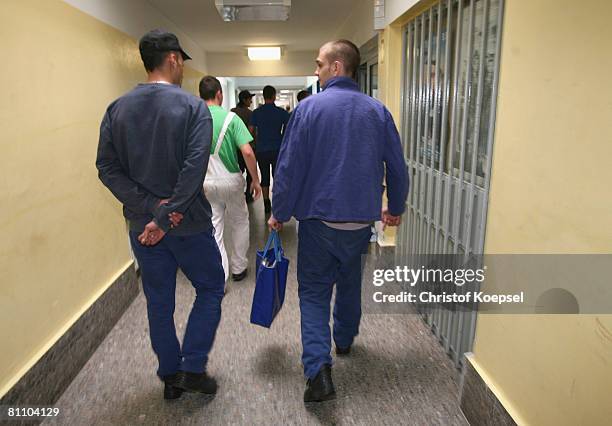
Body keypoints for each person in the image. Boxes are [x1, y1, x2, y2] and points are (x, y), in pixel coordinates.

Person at [268, 39, 409, 402]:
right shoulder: (377, 112)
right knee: (349, 283)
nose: (315, 71)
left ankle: (318, 373)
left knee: (314, 293)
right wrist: (395, 206)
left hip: (317, 222)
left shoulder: (308, 110)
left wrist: (279, 212)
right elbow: (397, 167)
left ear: (335, 67)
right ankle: (344, 340)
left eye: (318, 64)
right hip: (359, 224)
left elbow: (288, 168)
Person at [96, 29, 224, 400]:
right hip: (189, 225)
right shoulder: (192, 108)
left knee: (158, 301)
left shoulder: (117, 109)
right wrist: (167, 215)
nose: (183, 66)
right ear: (172, 59)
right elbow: (194, 166)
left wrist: (153, 212)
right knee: (211, 288)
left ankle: (170, 375)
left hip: (143, 228)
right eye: (181, 59)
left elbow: (107, 167)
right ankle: (193, 367)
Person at [200, 76, 262, 282]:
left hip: (206, 181)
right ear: (220, 94)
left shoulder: (194, 120)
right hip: (231, 179)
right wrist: (255, 179)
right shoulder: (231, 119)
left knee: (214, 225)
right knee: (239, 221)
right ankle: (238, 268)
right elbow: (248, 151)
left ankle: (221, 274)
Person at [249, 85, 290, 214]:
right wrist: (282, 139)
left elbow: (250, 131)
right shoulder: (281, 112)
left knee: (265, 176)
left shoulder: (256, 113)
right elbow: (289, 129)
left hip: (262, 150)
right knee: (277, 177)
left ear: (264, 96)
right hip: (278, 149)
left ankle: (266, 202)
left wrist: (256, 142)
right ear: (274, 96)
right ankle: (277, 202)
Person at [231, 90, 257, 203]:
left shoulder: (232, 112)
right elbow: (252, 132)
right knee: (250, 172)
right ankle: (248, 194)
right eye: (249, 99)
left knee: (238, 171)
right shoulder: (250, 114)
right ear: (244, 100)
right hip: (248, 146)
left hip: (235, 148)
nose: (251, 101)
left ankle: (238, 193)